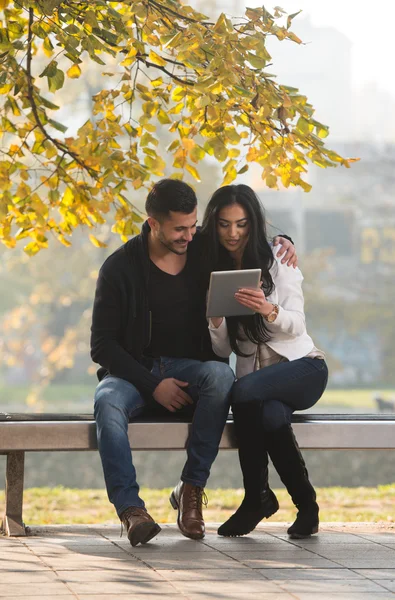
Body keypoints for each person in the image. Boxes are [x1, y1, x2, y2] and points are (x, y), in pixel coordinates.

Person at [90, 178, 296, 546]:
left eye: (194, 225)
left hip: (193, 370)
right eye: (179, 229)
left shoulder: (204, 251)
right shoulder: (120, 267)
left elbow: (246, 238)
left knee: (221, 375)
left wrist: (284, 242)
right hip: (133, 374)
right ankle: (131, 510)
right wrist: (153, 385)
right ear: (153, 224)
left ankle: (191, 489)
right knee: (106, 402)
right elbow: (102, 346)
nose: (190, 235)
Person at [203, 184, 328, 539]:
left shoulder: (278, 258)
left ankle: (255, 498)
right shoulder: (217, 269)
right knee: (270, 416)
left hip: (304, 368)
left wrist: (268, 309)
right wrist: (214, 317)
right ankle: (307, 507)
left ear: (253, 223)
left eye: (241, 224)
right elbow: (222, 349)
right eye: (224, 224)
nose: (233, 233)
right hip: (260, 386)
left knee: (242, 391)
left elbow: (299, 324)